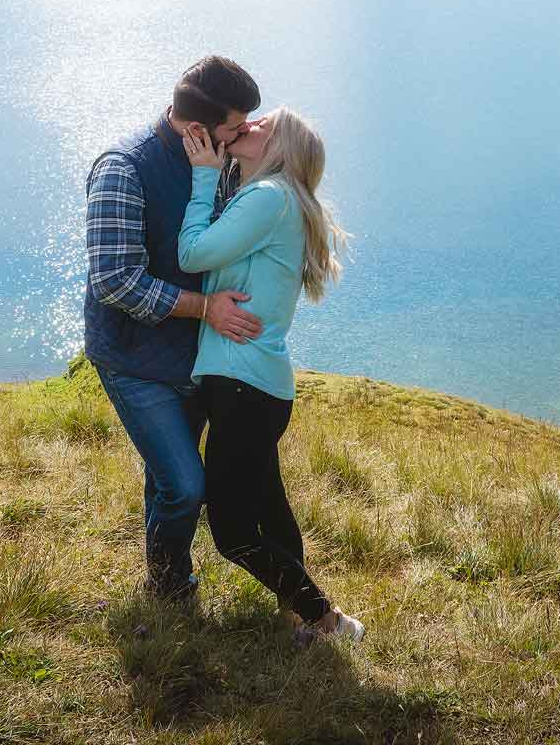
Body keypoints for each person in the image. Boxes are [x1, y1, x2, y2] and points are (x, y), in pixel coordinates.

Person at [177, 108, 363, 644]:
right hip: (259, 385)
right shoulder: (280, 200)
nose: (248, 124)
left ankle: (325, 618)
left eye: (263, 124)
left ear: (278, 145)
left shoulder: (268, 198)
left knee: (233, 530)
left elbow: (193, 254)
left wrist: (204, 177)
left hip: (241, 385)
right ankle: (303, 616)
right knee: (268, 508)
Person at [84, 55, 265, 601]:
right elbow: (116, 281)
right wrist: (206, 308)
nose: (244, 133)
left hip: (195, 355)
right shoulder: (123, 167)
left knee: (168, 476)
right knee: (186, 485)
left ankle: (163, 579)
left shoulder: (220, 157)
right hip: (134, 358)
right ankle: (171, 589)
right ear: (196, 129)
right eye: (235, 125)